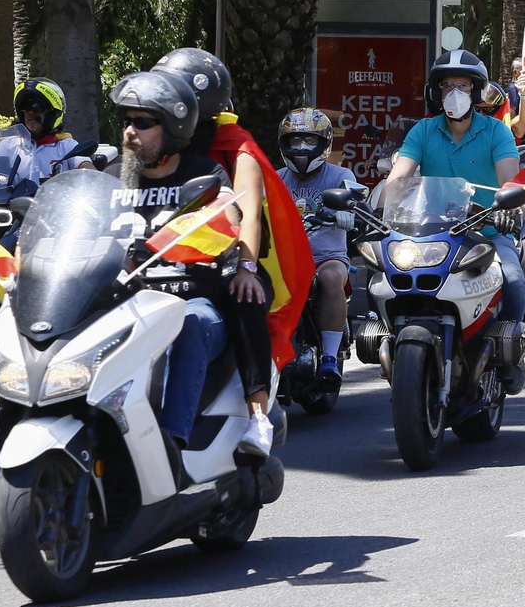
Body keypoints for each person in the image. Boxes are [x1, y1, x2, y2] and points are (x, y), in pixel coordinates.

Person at [154, 48, 307, 459]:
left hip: (229, 262)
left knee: (245, 295)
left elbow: (249, 217)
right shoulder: (154, 143)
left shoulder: (236, 148)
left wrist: (244, 266)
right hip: (160, 266)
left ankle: (257, 414)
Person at [106, 71, 254, 464]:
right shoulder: (111, 179)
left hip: (192, 301)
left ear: (170, 128)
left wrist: (221, 214)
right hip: (126, 304)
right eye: (126, 122)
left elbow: (229, 215)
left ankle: (171, 443)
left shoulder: (202, 175)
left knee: (189, 323)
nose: (129, 132)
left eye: (142, 123)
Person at [386, 50, 525, 392]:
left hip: (487, 233)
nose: (455, 92)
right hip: (429, 234)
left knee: (512, 278)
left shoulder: (497, 131)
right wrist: (383, 206)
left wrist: (507, 207)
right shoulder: (422, 130)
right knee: (387, 277)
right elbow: (400, 175)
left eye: (462, 85)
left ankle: (512, 351)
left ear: (476, 91)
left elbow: (509, 181)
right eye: (447, 84)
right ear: (436, 90)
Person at [276, 107, 361, 387]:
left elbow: (355, 200)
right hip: (283, 258)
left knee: (331, 278)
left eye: (309, 140)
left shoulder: (339, 175)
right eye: (295, 140)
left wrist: (350, 211)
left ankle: (329, 358)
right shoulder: (276, 179)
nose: (301, 148)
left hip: (326, 256)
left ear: (324, 143)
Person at [13, 77, 93, 180]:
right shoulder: (10, 145)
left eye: (37, 108)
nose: (30, 113)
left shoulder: (66, 146)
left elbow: (87, 167)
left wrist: (90, 176)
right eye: (25, 108)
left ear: (52, 114)